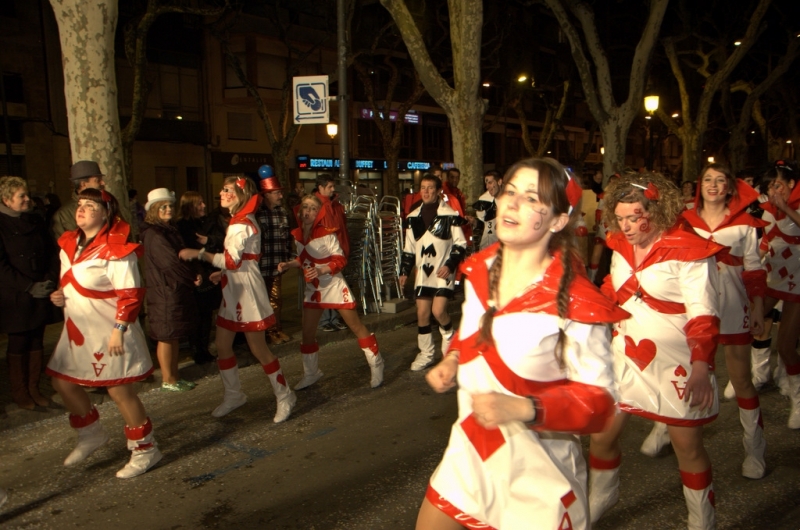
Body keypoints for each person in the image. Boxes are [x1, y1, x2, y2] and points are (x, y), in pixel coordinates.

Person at [417, 158, 626, 529]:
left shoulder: (577, 302)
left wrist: (527, 408)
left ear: (558, 220)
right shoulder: (480, 270)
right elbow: (470, 337)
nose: (512, 203)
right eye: (510, 191)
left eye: (532, 198)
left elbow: (599, 404)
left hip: (538, 473)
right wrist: (451, 359)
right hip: (471, 449)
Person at [590, 172, 722, 529]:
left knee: (687, 448)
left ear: (657, 211)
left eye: (634, 217)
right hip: (625, 353)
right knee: (601, 436)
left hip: (677, 361)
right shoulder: (620, 245)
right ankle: (602, 495)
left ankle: (701, 518)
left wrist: (700, 366)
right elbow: (612, 290)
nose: (626, 226)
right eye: (620, 218)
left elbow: (704, 315)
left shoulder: (691, 252)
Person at [46, 188, 161, 478]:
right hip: (77, 330)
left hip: (109, 330)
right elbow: (69, 283)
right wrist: (59, 295)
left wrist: (118, 330)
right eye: (80, 204)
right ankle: (91, 433)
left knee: (119, 390)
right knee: (63, 382)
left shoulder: (118, 248)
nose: (81, 209)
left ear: (106, 213)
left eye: (90, 205)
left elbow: (131, 294)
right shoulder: (69, 243)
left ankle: (145, 450)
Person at [667, 164, 766, 480]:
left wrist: (759, 310)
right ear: (699, 185)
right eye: (707, 179)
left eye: (720, 180)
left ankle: (755, 450)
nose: (713, 185)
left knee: (741, 379)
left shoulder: (745, 225)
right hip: (695, 310)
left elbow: (753, 270)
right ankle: (664, 424)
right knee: (684, 371)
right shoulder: (684, 220)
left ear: (729, 188)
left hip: (734, 307)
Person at [179, 176, 296, 423]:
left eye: (227, 189)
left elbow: (232, 260)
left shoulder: (239, 224)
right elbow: (241, 259)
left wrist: (199, 253)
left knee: (258, 348)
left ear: (241, 195)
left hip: (246, 290)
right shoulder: (238, 220)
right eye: (222, 189)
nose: (221, 193)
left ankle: (284, 394)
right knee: (222, 344)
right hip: (235, 286)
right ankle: (234, 395)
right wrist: (223, 272)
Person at [278, 194, 384, 389]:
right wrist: (289, 264)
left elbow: (340, 260)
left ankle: (376, 364)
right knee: (307, 334)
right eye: (305, 207)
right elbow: (303, 259)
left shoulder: (327, 233)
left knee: (356, 326)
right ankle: (312, 373)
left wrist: (321, 270)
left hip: (333, 285)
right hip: (314, 288)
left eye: (312, 208)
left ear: (319, 213)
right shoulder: (299, 235)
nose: (307, 211)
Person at [0, 176, 61, 409]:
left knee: (37, 339)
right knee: (18, 341)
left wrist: (49, 279)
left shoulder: (35, 220)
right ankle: (20, 391)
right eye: (21, 196)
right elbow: (1, 266)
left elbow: (51, 251)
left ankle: (34, 388)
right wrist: (28, 286)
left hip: (41, 290)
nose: (27, 199)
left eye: (26, 194)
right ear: (6, 200)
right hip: (15, 295)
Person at [400, 174, 467, 371]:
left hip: (443, 272)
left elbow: (460, 244)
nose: (426, 191)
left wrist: (450, 265)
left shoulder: (450, 216)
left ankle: (449, 338)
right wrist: (404, 270)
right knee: (422, 313)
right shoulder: (413, 218)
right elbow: (409, 248)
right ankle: (426, 353)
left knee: (438, 311)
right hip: (423, 273)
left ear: (439, 191)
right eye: (423, 188)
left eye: (430, 188)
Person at [141, 188, 199, 391]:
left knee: (172, 334)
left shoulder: (166, 230)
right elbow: (170, 263)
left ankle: (174, 375)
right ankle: (168, 378)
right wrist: (191, 277)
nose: (168, 209)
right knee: (166, 336)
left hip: (171, 289)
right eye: (163, 207)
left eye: (169, 206)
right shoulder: (155, 234)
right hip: (165, 291)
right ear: (154, 210)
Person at [758, 160, 800, 428]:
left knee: (785, 345)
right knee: (751, 319)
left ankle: (798, 397)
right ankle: (757, 373)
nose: (775, 190)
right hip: (773, 277)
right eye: (772, 185)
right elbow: (763, 242)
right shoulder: (765, 209)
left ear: (792, 185)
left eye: (780, 184)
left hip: (798, 281)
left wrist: (785, 208)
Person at [177, 191, 225, 365]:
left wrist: (209, 240)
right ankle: (199, 350)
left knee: (207, 315)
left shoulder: (208, 222)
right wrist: (197, 273)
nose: (203, 206)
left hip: (212, 272)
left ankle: (203, 349)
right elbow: (184, 253)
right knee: (199, 315)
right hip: (198, 276)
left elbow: (222, 240)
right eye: (199, 204)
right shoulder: (183, 226)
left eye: (203, 202)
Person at [256, 166, 293, 345]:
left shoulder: (282, 212)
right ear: (267, 194)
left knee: (277, 299)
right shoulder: (257, 213)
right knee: (263, 300)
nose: (280, 196)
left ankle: (276, 329)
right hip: (261, 265)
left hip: (277, 263)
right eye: (277, 193)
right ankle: (267, 332)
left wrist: (287, 258)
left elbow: (286, 238)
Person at [313, 174, 349, 332]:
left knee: (334, 287)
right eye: (329, 187)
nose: (333, 189)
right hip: (324, 252)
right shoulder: (316, 205)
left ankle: (332, 318)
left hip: (336, 250)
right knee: (325, 286)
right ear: (321, 188)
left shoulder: (334, 204)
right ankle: (325, 319)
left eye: (332, 186)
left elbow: (342, 228)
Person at [51, 160, 105, 238]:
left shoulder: (108, 204)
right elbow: (65, 246)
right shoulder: (63, 215)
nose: (103, 183)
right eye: (98, 180)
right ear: (83, 184)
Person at [469, 170, 503, 251]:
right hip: (488, 246)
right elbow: (482, 224)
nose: (487, 186)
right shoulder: (484, 200)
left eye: (490, 183)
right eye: (486, 183)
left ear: (499, 182)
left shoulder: (511, 199)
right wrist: (475, 222)